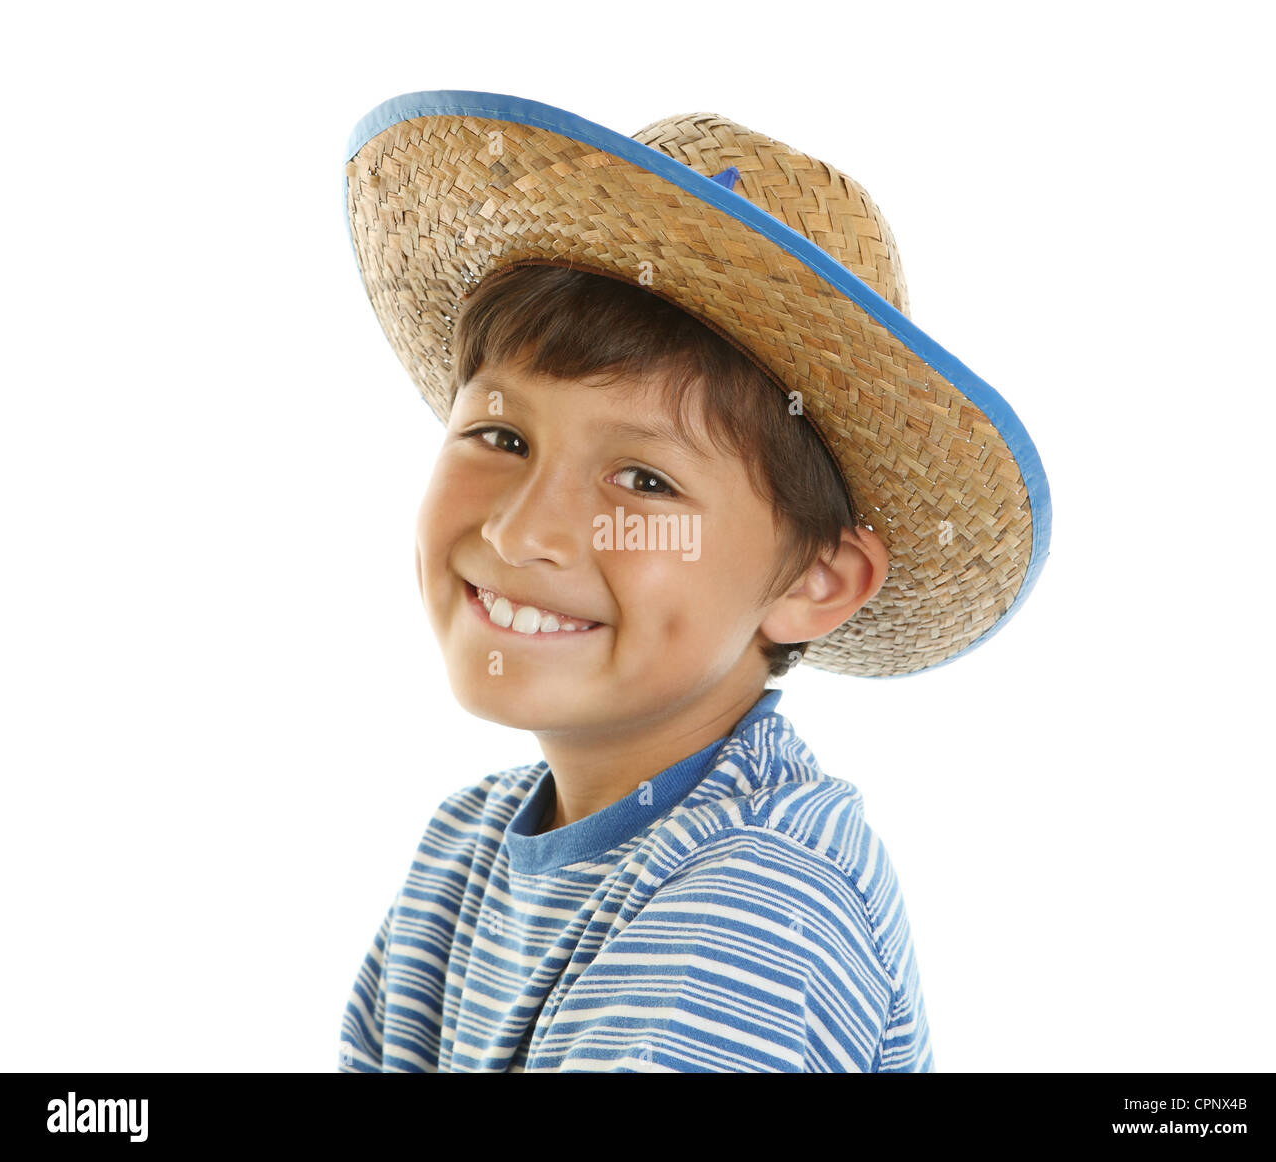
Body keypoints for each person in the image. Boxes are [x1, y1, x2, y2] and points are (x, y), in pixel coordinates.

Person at [335, 90, 1052, 1072]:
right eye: (500, 437)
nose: (523, 527)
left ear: (813, 576)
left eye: (643, 478)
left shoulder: (760, 896)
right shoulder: (461, 857)